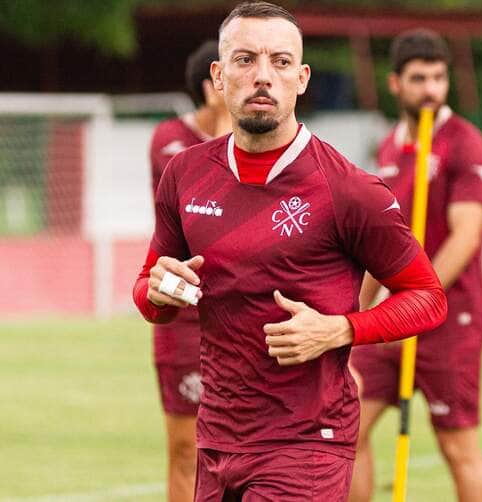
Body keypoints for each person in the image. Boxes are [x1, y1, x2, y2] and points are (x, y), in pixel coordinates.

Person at [132, 3, 447, 500]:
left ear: (301, 78)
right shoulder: (184, 173)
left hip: (307, 443)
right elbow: (150, 292)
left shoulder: (349, 189)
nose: (263, 76)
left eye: (280, 62)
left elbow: (428, 297)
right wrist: (160, 291)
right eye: (244, 60)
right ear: (218, 76)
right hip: (217, 439)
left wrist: (340, 328)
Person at [349, 29, 482, 502]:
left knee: (457, 447)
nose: (431, 89)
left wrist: (415, 298)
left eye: (438, 77)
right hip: (390, 319)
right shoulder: (389, 148)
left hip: (449, 318)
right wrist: (353, 314)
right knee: (347, 428)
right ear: (396, 84)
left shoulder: (465, 143)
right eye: (419, 78)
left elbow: (467, 234)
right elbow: (379, 243)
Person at [147, 39, 231, 502]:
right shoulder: (170, 141)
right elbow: (193, 209)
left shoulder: (258, 139)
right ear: (211, 85)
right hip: (182, 310)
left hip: (238, 311)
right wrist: (223, 125)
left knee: (242, 451)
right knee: (185, 449)